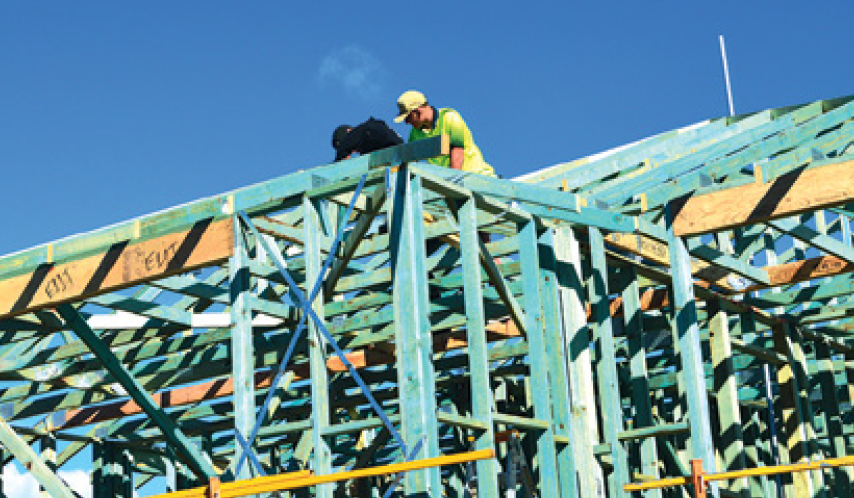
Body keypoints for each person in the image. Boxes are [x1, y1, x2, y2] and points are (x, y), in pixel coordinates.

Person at [394, 90, 495, 177]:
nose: (406, 122)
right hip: (451, 180)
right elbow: (410, 160)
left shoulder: (449, 118)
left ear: (418, 111)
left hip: (476, 177)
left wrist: (451, 187)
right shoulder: (415, 133)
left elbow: (457, 152)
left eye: (408, 117)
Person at [331, 117, 403, 161]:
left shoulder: (360, 132)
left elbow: (344, 148)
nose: (352, 153)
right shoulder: (368, 141)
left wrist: (339, 160)